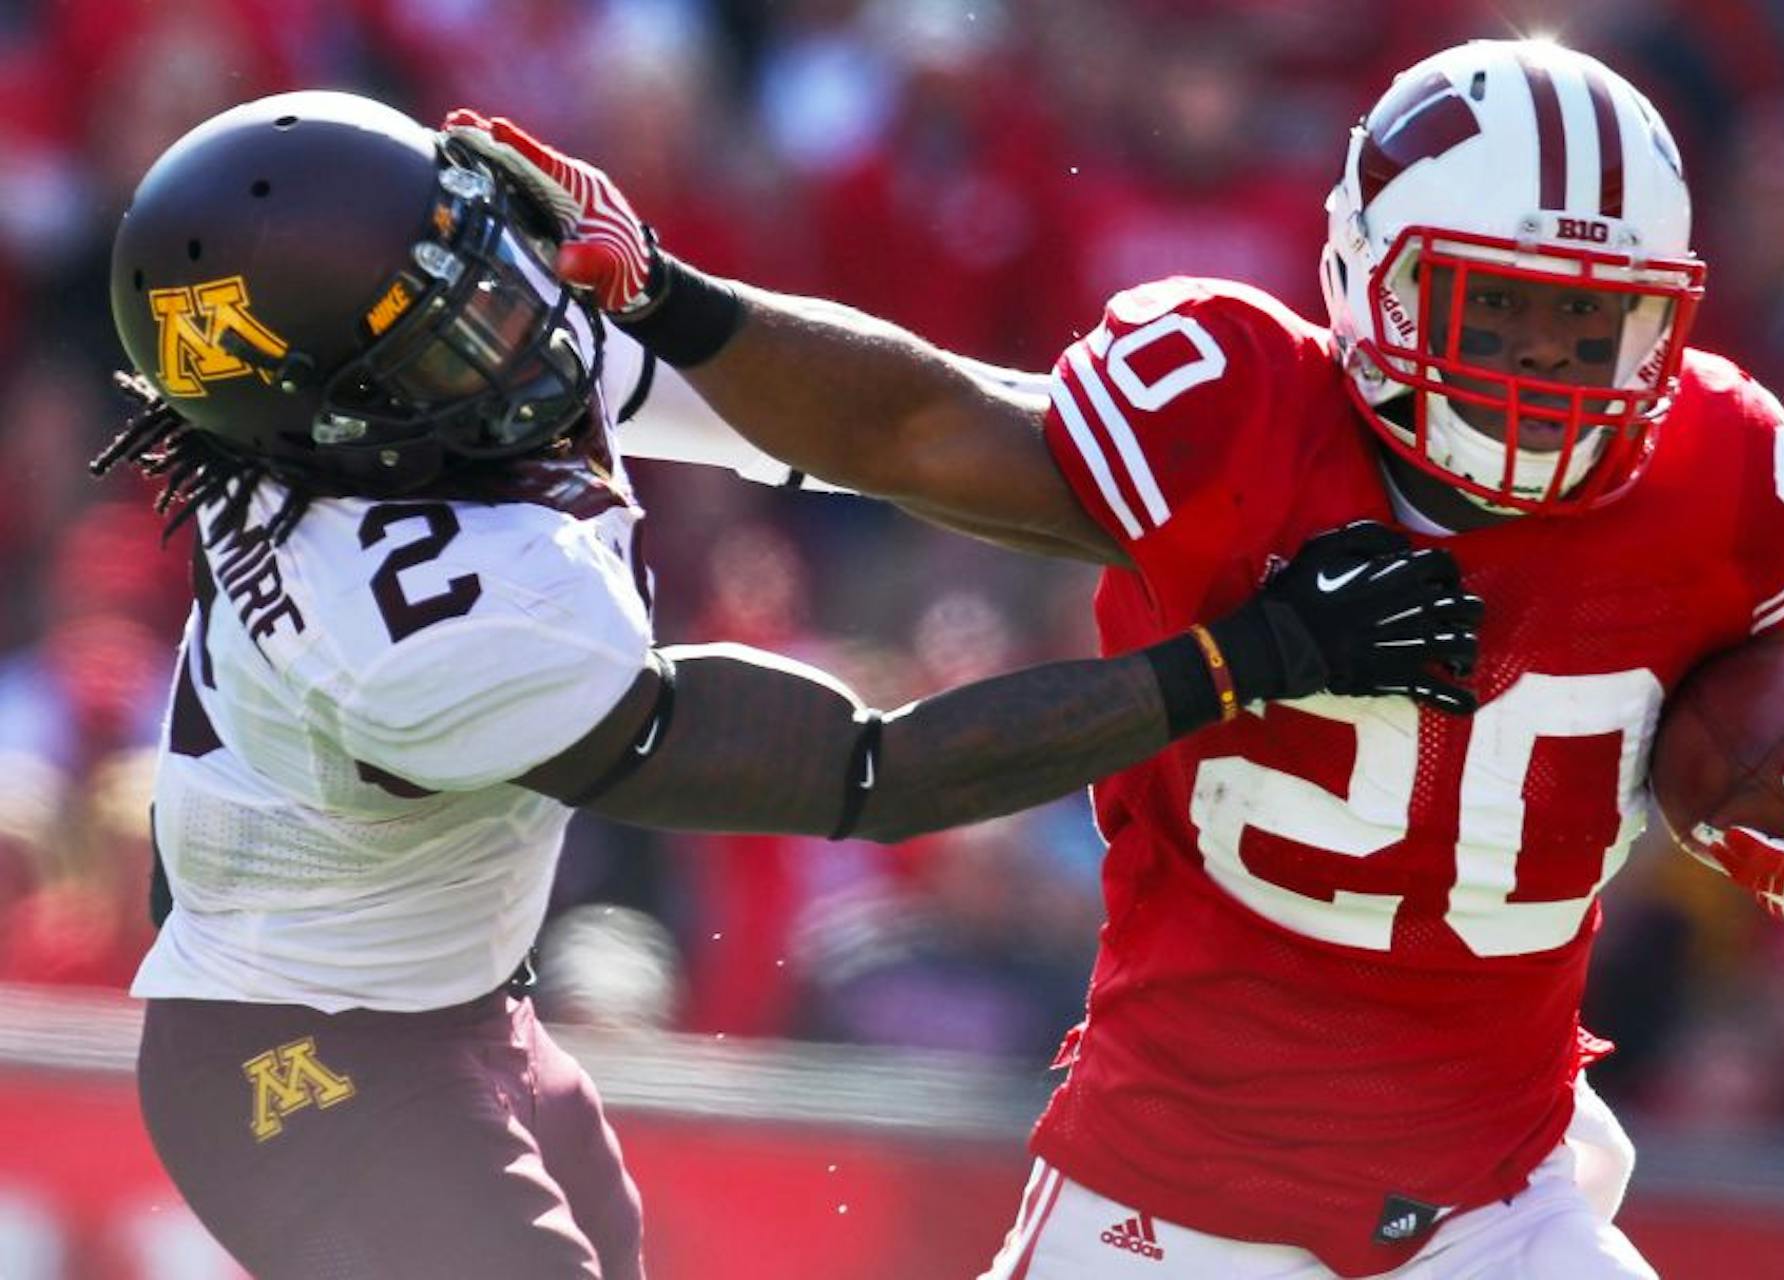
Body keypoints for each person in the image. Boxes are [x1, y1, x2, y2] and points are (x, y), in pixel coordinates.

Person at [451, 35, 1784, 1279]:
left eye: (1593, 330)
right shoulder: (1239, 408)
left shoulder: (1718, 465)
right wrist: (670, 303)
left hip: (1496, 1198)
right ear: (1375, 275)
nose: (1544, 374)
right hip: (1173, 1207)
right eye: (1498, 313)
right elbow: (921, 425)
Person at [99, 91, 1488, 1280]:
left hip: (456, 1009)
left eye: (485, 266)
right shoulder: (428, 627)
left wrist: (1214, 487)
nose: (524, 328)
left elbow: (886, 434)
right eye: (458, 337)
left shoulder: (376, 410)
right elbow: (874, 772)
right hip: (304, 1069)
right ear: (345, 421)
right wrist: (1248, 661)